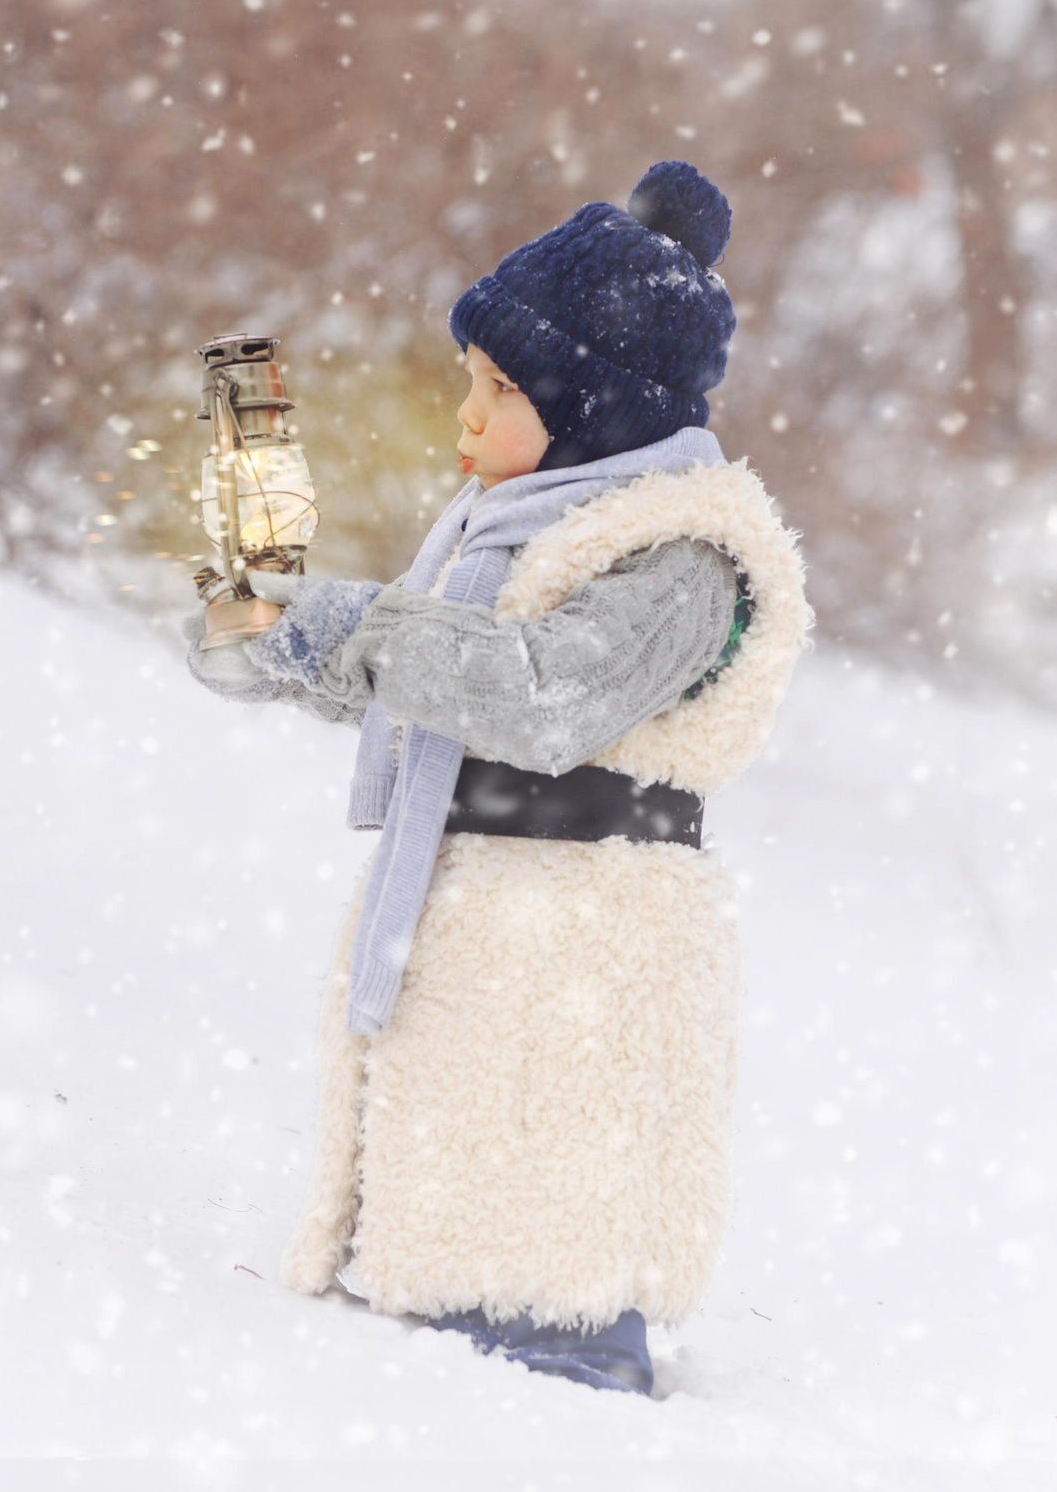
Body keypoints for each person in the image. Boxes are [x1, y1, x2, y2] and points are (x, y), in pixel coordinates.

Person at [183, 160, 810, 1396]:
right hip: (482, 925)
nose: (465, 419)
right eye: (469, 383)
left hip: (589, 949)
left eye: (499, 389)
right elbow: (418, 670)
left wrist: (351, 627)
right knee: (456, 1201)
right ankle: (449, 1373)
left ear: (596, 406)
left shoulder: (685, 553)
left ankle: (572, 1377)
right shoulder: (510, 529)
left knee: (555, 1214)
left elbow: (539, 692)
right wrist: (263, 629)